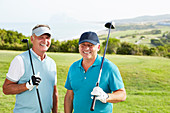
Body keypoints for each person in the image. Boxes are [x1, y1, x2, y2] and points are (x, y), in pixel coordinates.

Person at [64, 31, 126, 113]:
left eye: (90, 45)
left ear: (98, 47)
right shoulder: (73, 67)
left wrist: (106, 96)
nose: (86, 49)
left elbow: (122, 94)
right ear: (79, 47)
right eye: (83, 45)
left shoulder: (109, 67)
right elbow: (69, 96)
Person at [2, 24, 58, 113]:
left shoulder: (52, 63)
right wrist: (27, 85)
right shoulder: (20, 60)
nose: (45, 41)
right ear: (32, 39)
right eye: (41, 37)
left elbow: (54, 92)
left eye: (47, 37)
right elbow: (6, 89)